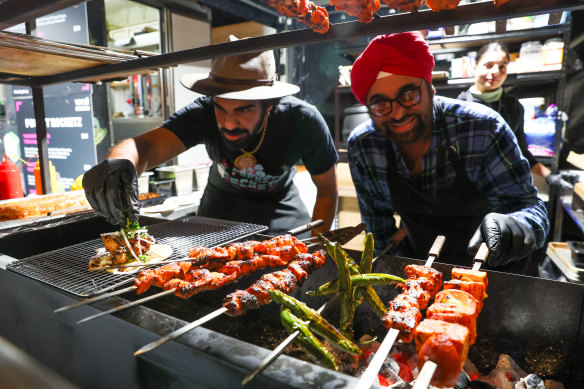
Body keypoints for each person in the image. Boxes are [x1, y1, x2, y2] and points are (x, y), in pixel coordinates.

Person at [82, 36, 338, 235]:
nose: (228, 122)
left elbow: (327, 192)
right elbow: (145, 146)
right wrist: (117, 165)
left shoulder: (303, 120)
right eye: (220, 107)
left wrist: (316, 248)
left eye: (244, 109)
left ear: (269, 105)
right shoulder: (203, 113)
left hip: (280, 214)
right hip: (216, 216)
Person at [347, 32, 549, 275]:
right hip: (421, 269)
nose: (398, 113)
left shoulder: (482, 128)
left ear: (430, 88)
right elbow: (380, 232)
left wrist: (517, 226)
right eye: (380, 104)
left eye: (409, 95)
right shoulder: (366, 146)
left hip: (495, 272)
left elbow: (531, 208)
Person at [457, 42, 576, 190]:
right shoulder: (459, 106)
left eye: (502, 66)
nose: (496, 72)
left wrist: (551, 176)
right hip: (467, 190)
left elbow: (521, 151)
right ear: (474, 68)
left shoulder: (512, 106)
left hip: (502, 188)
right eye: (488, 65)